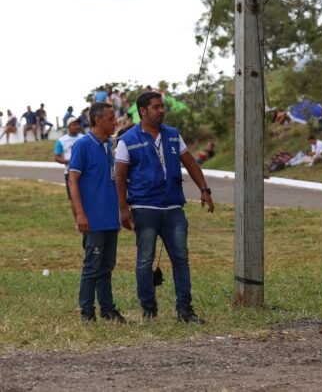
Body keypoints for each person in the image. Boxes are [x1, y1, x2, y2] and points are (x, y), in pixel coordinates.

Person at [115, 91, 214, 324]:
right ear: (143, 111)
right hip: (144, 208)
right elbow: (119, 178)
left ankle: (185, 310)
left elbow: (190, 162)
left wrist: (204, 189)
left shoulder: (172, 135)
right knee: (144, 260)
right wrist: (123, 209)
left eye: (162, 107)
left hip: (173, 209)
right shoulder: (127, 140)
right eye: (156, 107)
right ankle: (148, 308)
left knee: (181, 259)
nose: (161, 110)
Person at [68, 102, 127, 324]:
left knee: (107, 267)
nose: (115, 122)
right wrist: (80, 214)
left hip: (110, 219)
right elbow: (73, 180)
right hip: (93, 219)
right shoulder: (83, 145)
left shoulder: (107, 147)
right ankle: (86, 311)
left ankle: (107, 309)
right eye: (111, 118)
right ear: (98, 120)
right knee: (92, 267)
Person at [55, 117, 84, 202]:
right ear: (68, 126)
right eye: (74, 125)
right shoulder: (61, 141)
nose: (77, 126)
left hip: (85, 173)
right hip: (69, 173)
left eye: (78, 124)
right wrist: (71, 161)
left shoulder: (84, 138)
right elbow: (57, 157)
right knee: (74, 199)